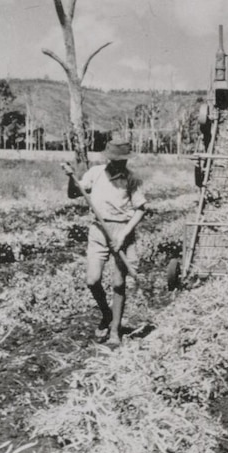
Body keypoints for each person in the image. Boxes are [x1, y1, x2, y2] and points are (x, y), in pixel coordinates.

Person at [62, 140, 147, 345]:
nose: (119, 164)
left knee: (118, 283)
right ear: (109, 159)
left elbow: (141, 209)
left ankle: (115, 331)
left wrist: (124, 235)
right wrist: (70, 177)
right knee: (92, 280)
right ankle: (106, 314)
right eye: (116, 160)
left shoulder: (132, 179)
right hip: (99, 230)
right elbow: (74, 193)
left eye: (123, 161)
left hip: (122, 231)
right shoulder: (96, 173)